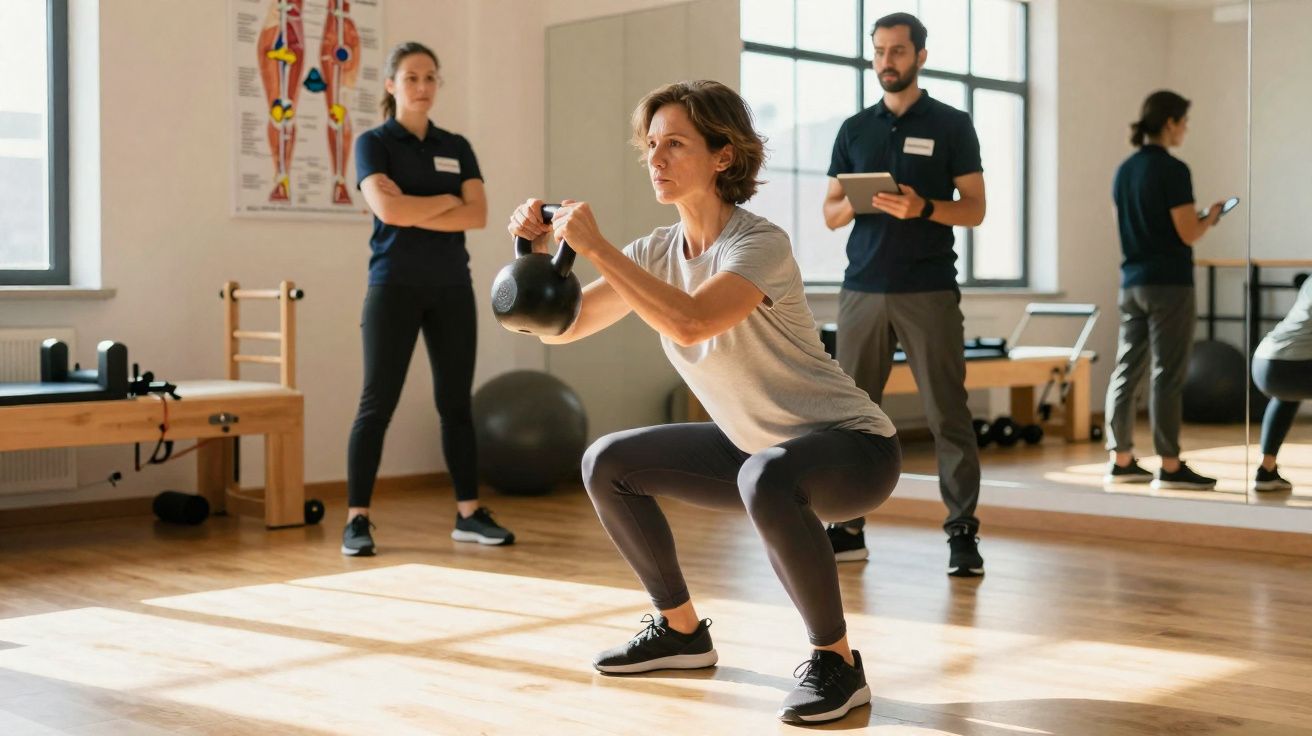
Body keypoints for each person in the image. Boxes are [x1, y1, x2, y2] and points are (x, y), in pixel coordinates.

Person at [508, 80, 901, 725]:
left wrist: (598, 247)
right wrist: (533, 256)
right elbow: (565, 325)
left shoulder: (759, 245)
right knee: (608, 461)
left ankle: (837, 662)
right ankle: (682, 632)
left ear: (724, 156)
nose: (656, 160)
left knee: (769, 475)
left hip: (852, 446)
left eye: (676, 145)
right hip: (750, 447)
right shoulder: (655, 252)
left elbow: (691, 323)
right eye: (652, 145)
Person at [822, 12, 987, 576]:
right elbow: (829, 214)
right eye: (879, 52)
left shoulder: (952, 123)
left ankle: (962, 534)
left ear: (920, 55)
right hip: (861, 291)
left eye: (897, 52)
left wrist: (924, 208)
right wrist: (860, 201)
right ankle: (847, 527)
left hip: (929, 289)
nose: (886, 62)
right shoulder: (853, 129)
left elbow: (976, 208)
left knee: (948, 414)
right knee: (851, 417)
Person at [342, 42, 513, 556]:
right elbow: (387, 212)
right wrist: (444, 200)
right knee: (377, 403)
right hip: (392, 285)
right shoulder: (373, 143)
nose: (422, 87)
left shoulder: (456, 145)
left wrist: (415, 205)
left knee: (455, 404)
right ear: (391, 85)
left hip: (451, 287)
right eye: (411, 77)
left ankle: (468, 514)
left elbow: (478, 215)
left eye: (430, 78)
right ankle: (357, 520)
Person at [1104, 90, 1227, 491]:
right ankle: (1170, 464)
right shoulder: (1174, 171)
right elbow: (1187, 231)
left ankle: (1121, 459)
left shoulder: (1124, 170)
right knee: (1167, 375)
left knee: (1127, 370)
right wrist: (1209, 218)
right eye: (1185, 122)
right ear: (1170, 122)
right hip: (1169, 284)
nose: (1186, 130)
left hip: (1132, 282)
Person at [1251, 277, 1312, 491]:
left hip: (1264, 362)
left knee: (1286, 398)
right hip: (1290, 366)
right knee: (1289, 392)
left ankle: (1266, 471)